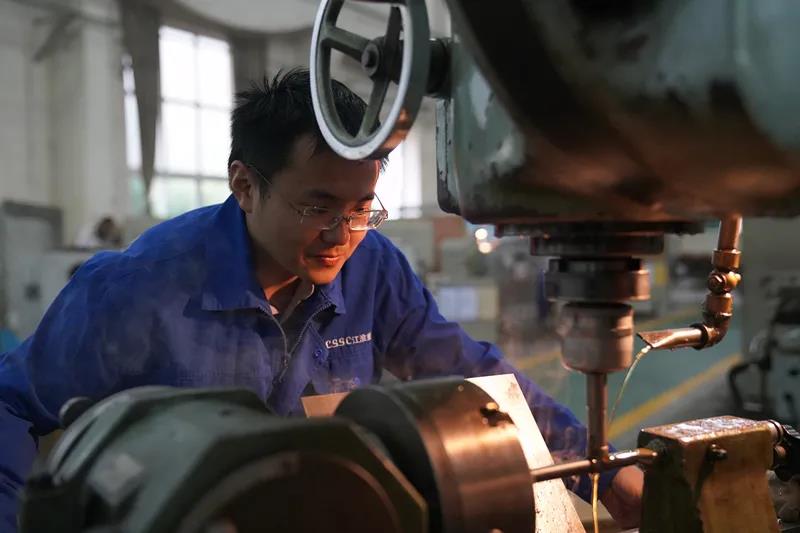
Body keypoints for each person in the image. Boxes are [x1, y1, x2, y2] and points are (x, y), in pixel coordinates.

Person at [0, 68, 642, 530]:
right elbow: (11, 405)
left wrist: (604, 472)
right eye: (318, 207)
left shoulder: (373, 268)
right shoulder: (137, 289)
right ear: (244, 186)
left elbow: (473, 374)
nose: (342, 235)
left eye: (362, 208)